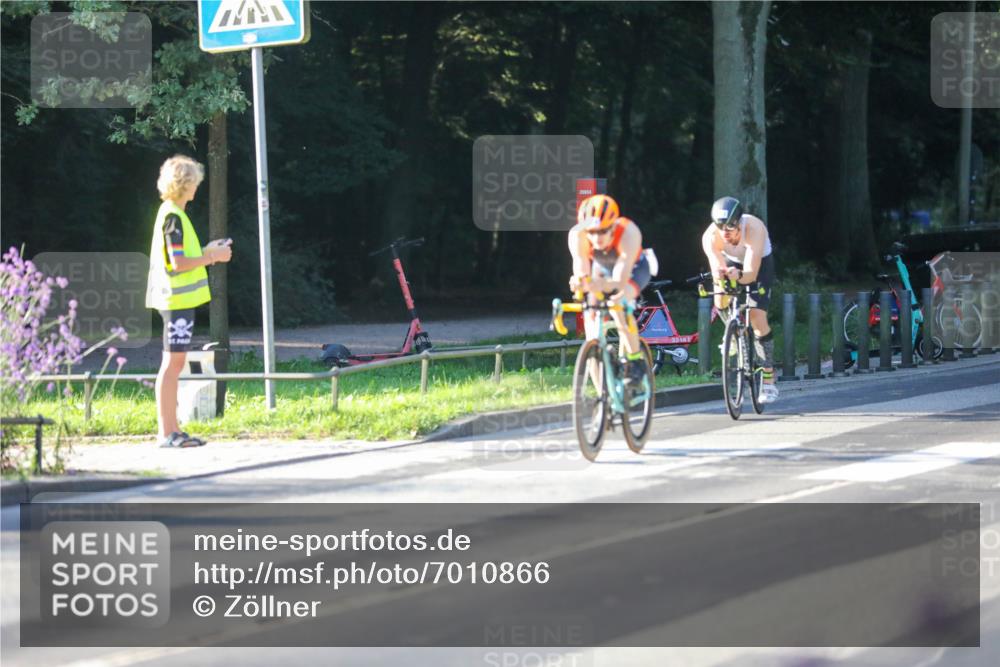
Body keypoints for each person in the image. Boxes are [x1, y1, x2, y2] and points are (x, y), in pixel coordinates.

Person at [145, 155, 232, 448]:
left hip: (177, 301)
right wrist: (212, 257)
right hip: (176, 301)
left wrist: (207, 250)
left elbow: (178, 258)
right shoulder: (173, 217)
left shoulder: (173, 214)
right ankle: (168, 432)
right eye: (194, 181)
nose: (197, 186)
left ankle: (172, 430)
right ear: (185, 184)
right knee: (172, 364)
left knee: (174, 363)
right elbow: (177, 263)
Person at [701, 196, 778, 403]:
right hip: (730, 261)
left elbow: (751, 274)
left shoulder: (754, 228)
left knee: (756, 316)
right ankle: (733, 333)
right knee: (720, 300)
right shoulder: (710, 237)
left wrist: (740, 277)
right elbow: (717, 270)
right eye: (720, 227)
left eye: (730, 227)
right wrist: (723, 280)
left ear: (739, 221)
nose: (725, 232)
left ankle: (769, 378)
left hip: (758, 263)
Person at [568, 194, 652, 385]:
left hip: (633, 269)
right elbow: (581, 266)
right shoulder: (577, 234)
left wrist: (600, 285)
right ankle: (602, 396)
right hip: (602, 268)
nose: (597, 237)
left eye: (603, 231)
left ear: (613, 226)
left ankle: (634, 360)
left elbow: (620, 281)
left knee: (619, 305)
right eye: (592, 232)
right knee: (591, 324)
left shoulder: (629, 232)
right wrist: (581, 282)